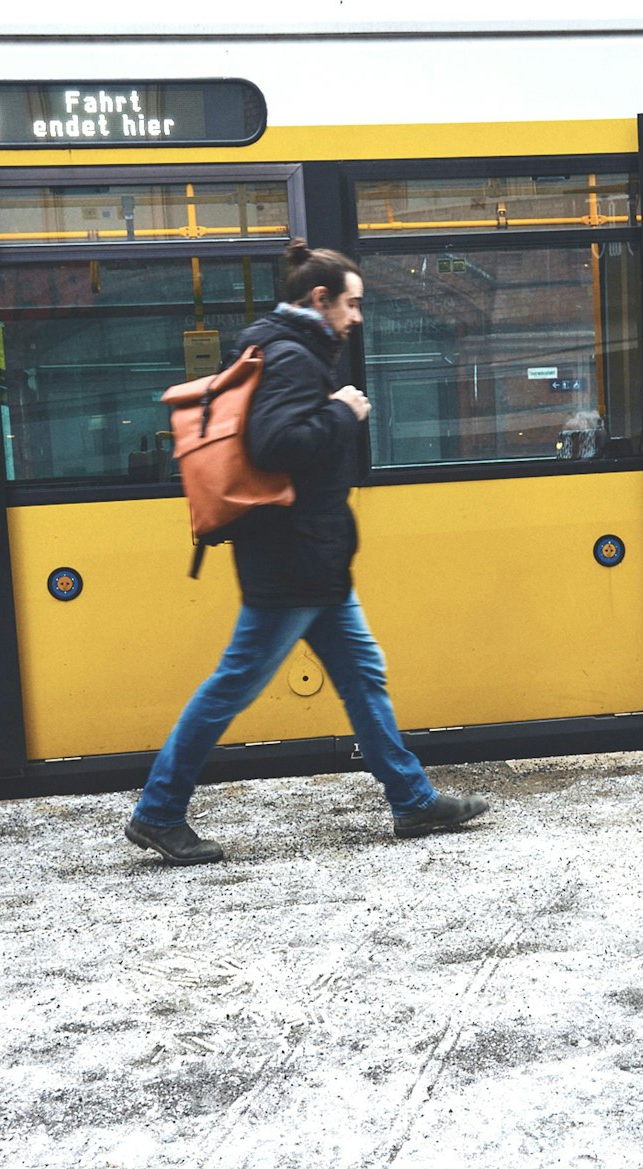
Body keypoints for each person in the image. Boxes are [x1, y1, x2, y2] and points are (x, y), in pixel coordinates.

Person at [125, 240, 490, 866]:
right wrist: (341, 412)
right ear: (320, 300)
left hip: (312, 562)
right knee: (232, 686)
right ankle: (158, 812)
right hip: (292, 563)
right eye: (352, 304)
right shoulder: (292, 358)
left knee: (363, 675)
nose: (357, 317)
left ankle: (411, 800)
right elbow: (275, 445)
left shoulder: (282, 348)